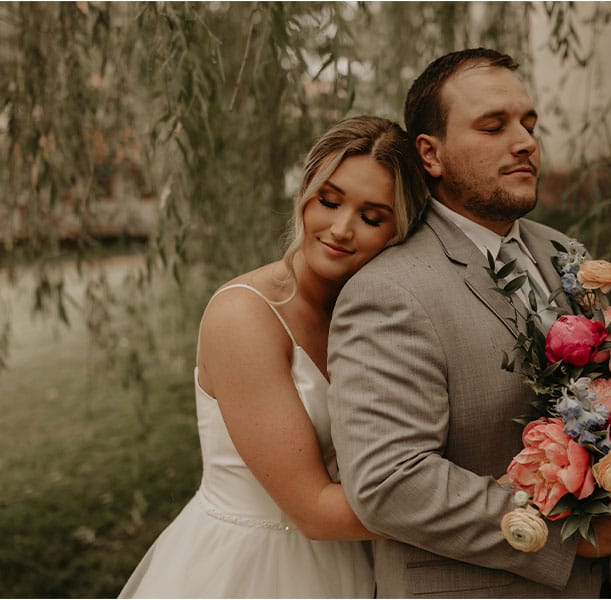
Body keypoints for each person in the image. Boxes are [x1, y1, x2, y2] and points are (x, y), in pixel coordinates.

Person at [328, 49, 611, 597]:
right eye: (493, 126)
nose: (526, 142)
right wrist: (566, 534)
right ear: (430, 155)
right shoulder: (389, 291)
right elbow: (389, 481)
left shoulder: (560, 250)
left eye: (529, 124)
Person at [119, 115, 428, 598]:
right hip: (255, 568)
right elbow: (312, 510)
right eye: (329, 202)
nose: (341, 229)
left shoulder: (376, 316)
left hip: (357, 561)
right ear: (305, 194)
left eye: (372, 217)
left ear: (400, 230)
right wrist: (473, 511)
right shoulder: (244, 316)